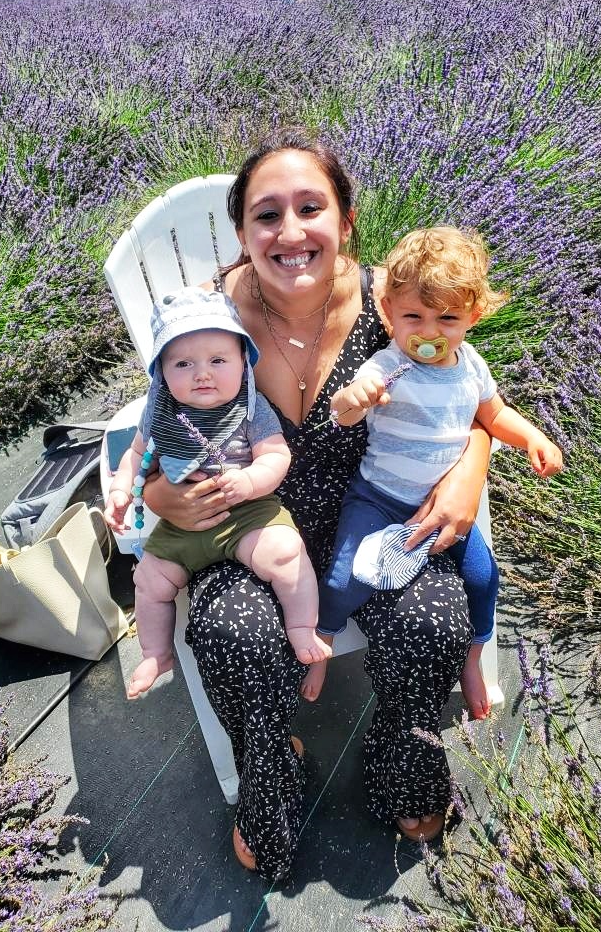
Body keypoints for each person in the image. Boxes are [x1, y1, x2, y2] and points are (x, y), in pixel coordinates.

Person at [141, 130, 492, 879]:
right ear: (242, 233)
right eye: (267, 215)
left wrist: (472, 466)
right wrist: (155, 492)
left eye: (311, 208)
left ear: (347, 219)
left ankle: (402, 751)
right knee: (231, 632)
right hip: (248, 527)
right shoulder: (207, 321)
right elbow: (151, 423)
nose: (290, 232)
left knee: (434, 616)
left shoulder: (396, 303)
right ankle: (272, 767)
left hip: (379, 512)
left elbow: (471, 399)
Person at [301, 226, 564, 713]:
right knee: (342, 578)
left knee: (485, 577)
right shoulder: (388, 365)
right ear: (388, 314)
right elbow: (347, 409)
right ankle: (323, 641)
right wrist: (353, 400)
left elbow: (494, 415)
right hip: (379, 500)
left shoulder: (472, 367)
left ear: (473, 317)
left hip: (443, 506)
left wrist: (533, 437)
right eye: (413, 317)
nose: (428, 332)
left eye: (447, 318)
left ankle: (473, 655)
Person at [105, 288, 331, 699]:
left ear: (244, 362)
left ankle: (302, 628)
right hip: (179, 528)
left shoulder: (250, 407)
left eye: (217, 360)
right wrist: (122, 489)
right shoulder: (159, 413)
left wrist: (251, 480)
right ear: (161, 373)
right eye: (183, 364)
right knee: (149, 580)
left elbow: (276, 455)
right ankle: (156, 653)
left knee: (284, 552)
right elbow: (137, 456)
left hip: (246, 513)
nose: (201, 374)